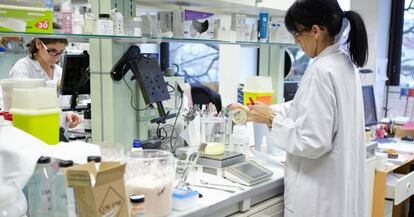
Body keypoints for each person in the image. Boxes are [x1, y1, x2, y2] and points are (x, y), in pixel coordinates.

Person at [231, 1, 368, 216]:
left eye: (297, 35)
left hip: (319, 197)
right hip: (335, 191)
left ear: (315, 31)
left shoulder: (321, 71)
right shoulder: (343, 64)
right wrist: (262, 112)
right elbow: (303, 106)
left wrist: (271, 120)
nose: (297, 42)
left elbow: (313, 142)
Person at [9, 38, 80, 128]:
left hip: (56, 134)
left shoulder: (60, 71)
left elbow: (59, 106)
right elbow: (23, 100)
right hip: (31, 133)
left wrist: (68, 115)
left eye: (61, 52)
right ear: (38, 44)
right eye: (52, 51)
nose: (56, 57)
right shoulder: (22, 68)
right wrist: (56, 85)